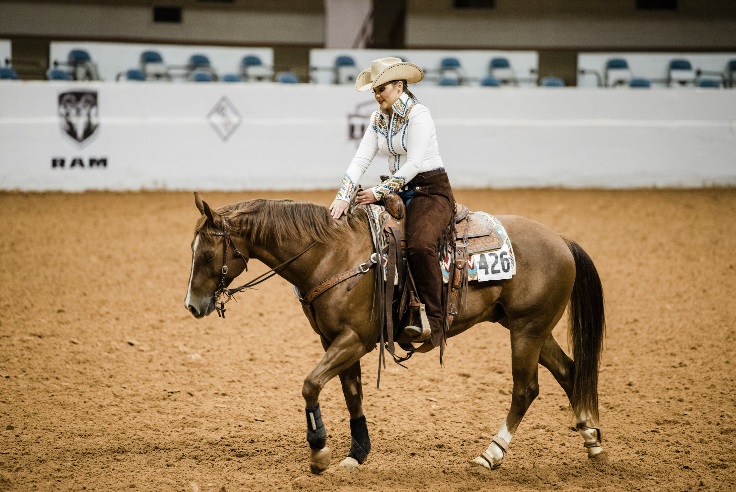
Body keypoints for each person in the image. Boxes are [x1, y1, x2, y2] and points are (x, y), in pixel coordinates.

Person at [329, 57, 455, 351]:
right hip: (397, 193)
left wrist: (378, 191)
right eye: (374, 90)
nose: (377, 95)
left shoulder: (419, 115)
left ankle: (436, 321)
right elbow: (361, 159)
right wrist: (343, 196)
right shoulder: (377, 119)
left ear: (399, 86)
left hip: (430, 192)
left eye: (381, 89)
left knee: (420, 244)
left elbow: (413, 164)